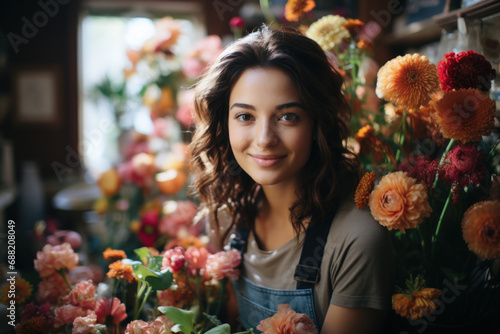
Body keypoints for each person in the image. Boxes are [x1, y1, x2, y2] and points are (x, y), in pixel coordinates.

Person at [189, 25, 394, 333]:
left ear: (318, 122)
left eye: (288, 116)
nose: (264, 139)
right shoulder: (227, 216)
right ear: (224, 123)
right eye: (245, 116)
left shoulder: (357, 240)